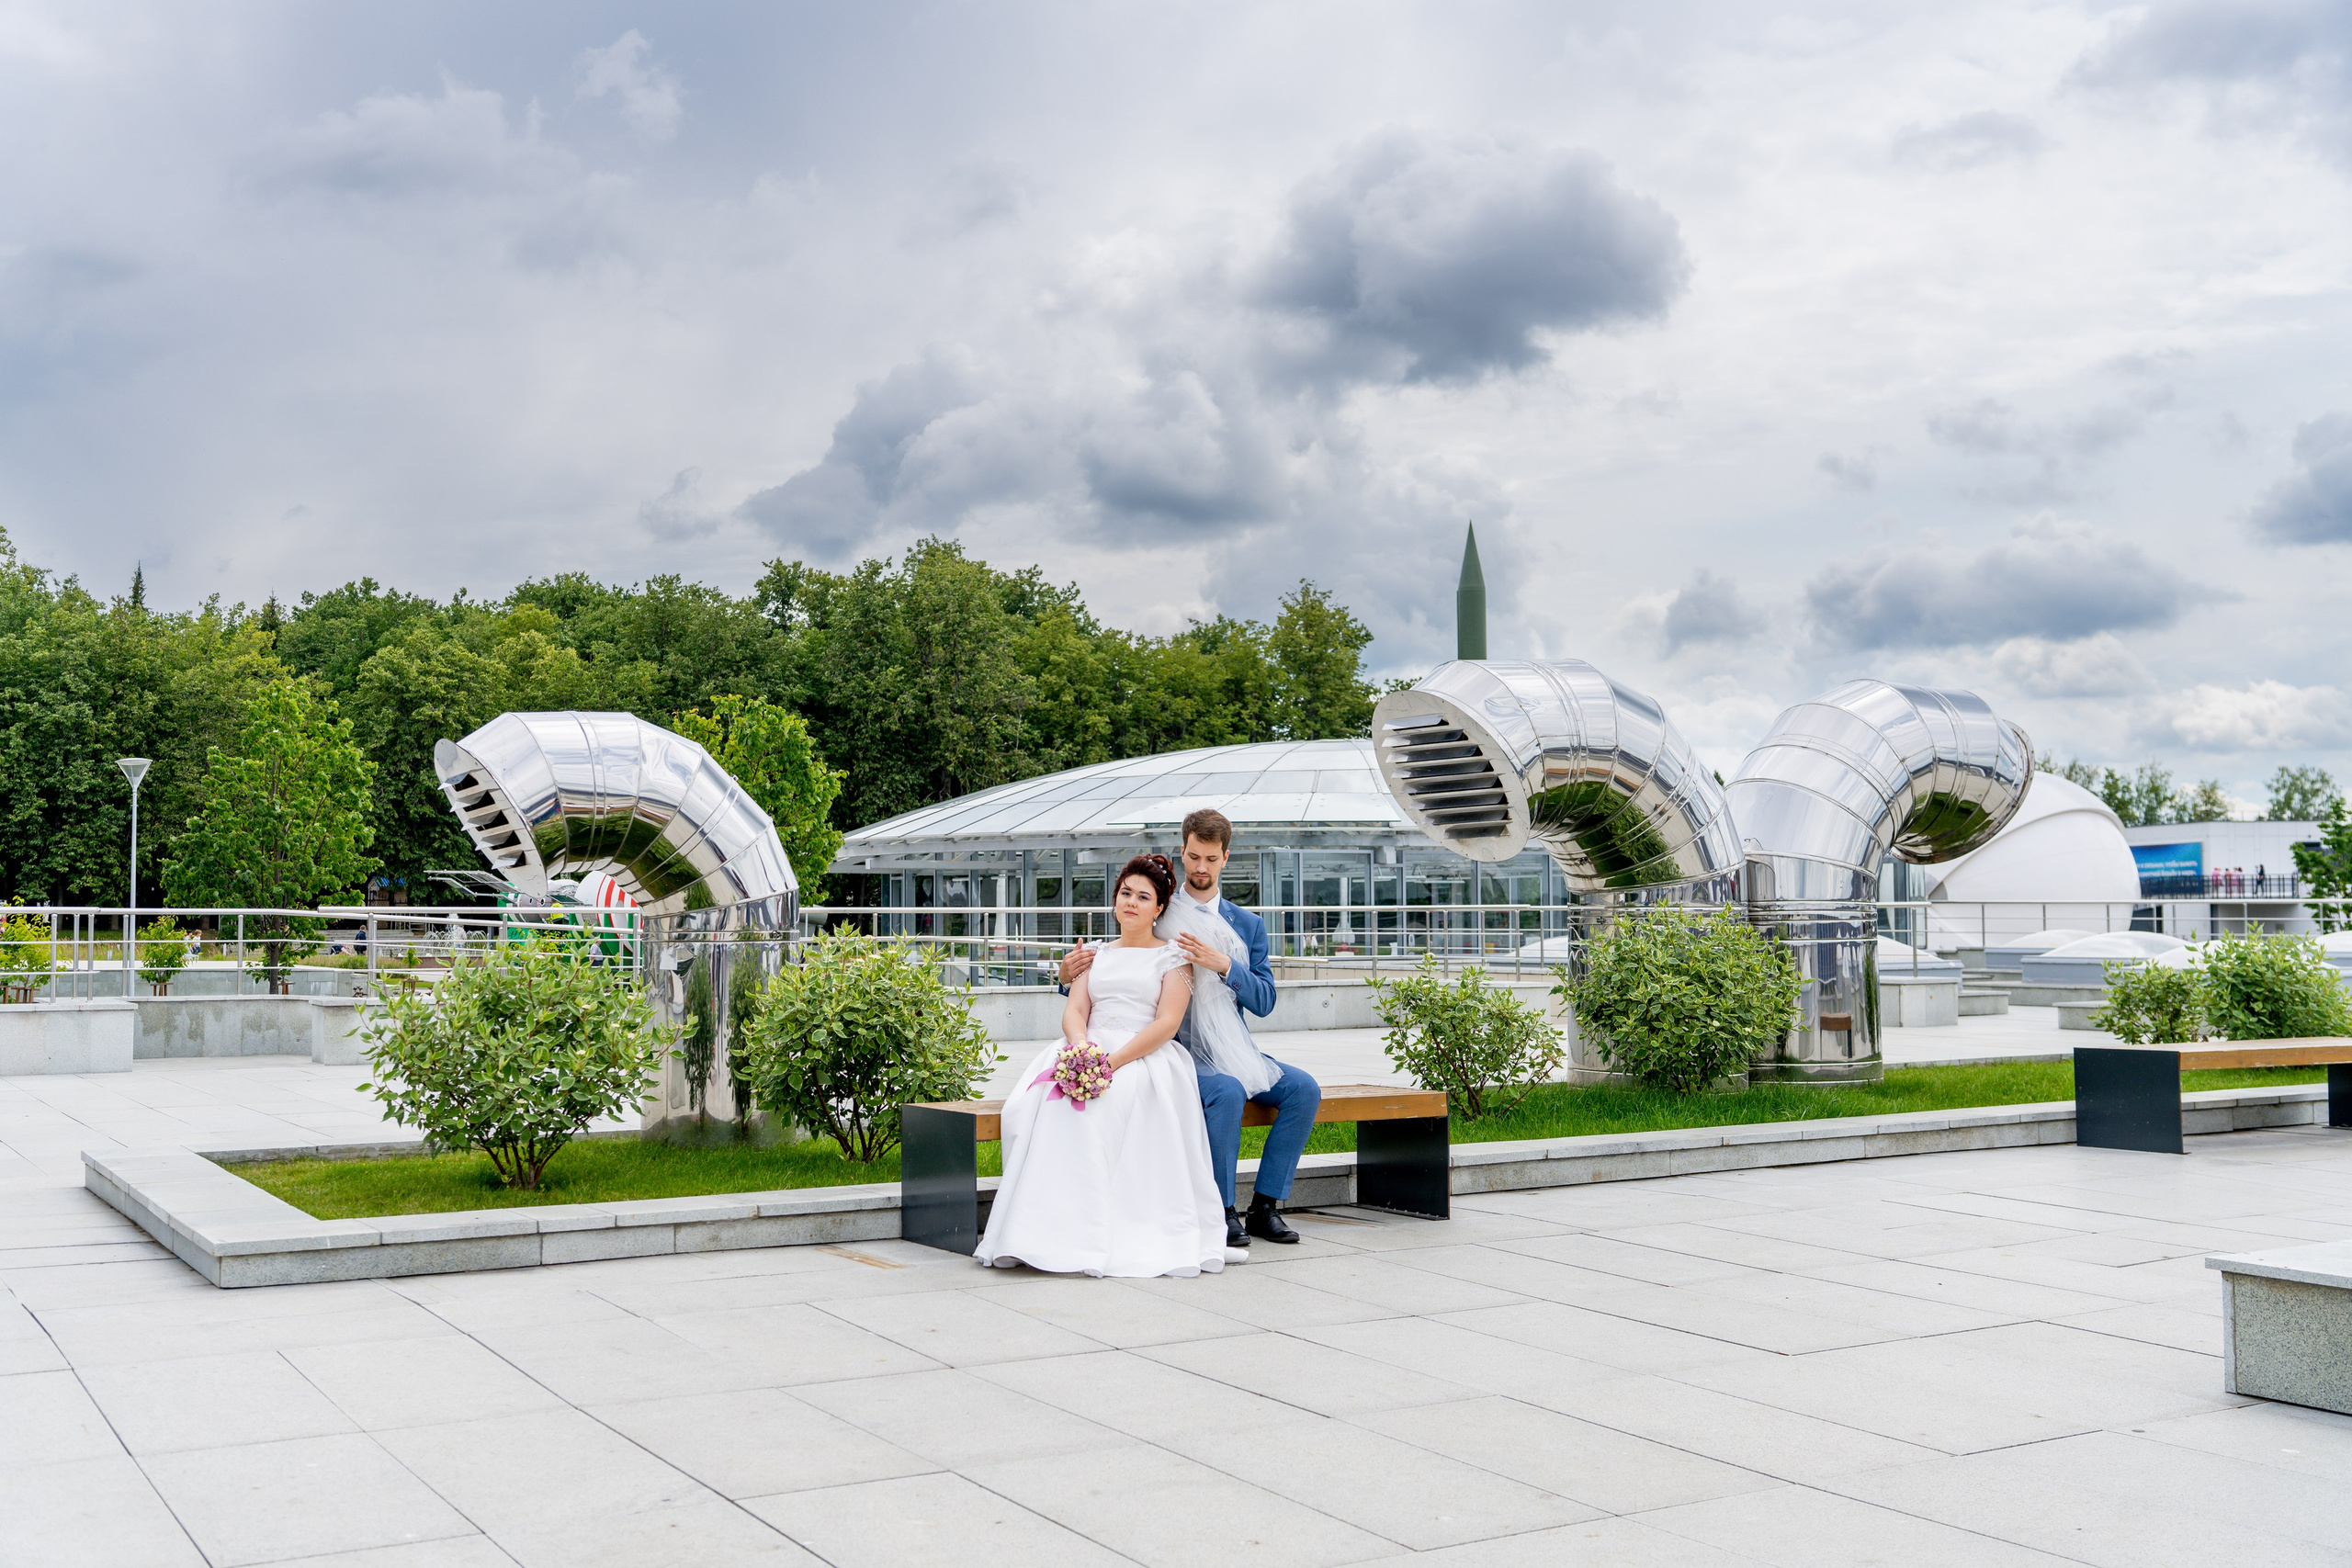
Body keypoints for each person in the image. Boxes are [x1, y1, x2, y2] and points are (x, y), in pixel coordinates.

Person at [1060, 808, 1322, 1251]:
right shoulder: (1159, 912)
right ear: (1183, 851)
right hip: (1176, 1048)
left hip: (1233, 1046)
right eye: (1193, 857)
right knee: (1227, 1092)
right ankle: (1221, 1211)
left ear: (1226, 858)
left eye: (1211, 859)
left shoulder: (1248, 926)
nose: (1201, 868)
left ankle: (1265, 1206)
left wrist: (1223, 965)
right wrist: (1063, 978)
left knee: (1304, 1090)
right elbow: (1115, 975)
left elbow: (1265, 1002)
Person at [976, 854, 1231, 1278]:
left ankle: (1104, 1230)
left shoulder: (1173, 957)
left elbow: (1167, 1024)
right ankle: (1044, 1229)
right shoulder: (1092, 953)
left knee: (1109, 1104)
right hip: (1084, 1048)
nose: (1131, 902)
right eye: (1125, 893)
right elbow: (1075, 1010)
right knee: (1032, 1106)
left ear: (1159, 908)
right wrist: (1081, 1052)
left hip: (1141, 1054)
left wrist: (1108, 1064)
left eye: (1143, 897)